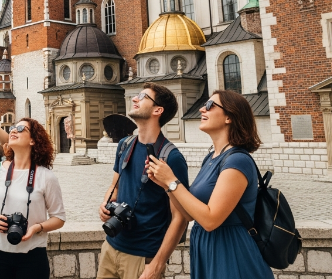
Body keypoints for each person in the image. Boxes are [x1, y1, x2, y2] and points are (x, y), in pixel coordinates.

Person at [147, 90, 273, 279]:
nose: (201, 109)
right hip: (207, 247)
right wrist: (165, 184)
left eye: (209, 105)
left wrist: (172, 181)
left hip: (230, 251)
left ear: (229, 117)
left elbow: (210, 220)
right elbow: (190, 215)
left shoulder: (238, 160)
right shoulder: (212, 158)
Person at [97, 82, 189, 279]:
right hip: (111, 247)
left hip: (143, 256)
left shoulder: (171, 158)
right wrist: (105, 205)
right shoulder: (124, 145)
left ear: (158, 110)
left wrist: (156, 266)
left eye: (143, 96)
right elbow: (114, 187)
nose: (134, 98)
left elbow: (180, 218)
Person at [0, 118, 65, 279]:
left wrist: (36, 228)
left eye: (21, 128)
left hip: (32, 256)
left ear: (33, 140)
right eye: (13, 127)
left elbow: (59, 218)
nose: (13, 130)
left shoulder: (46, 176)